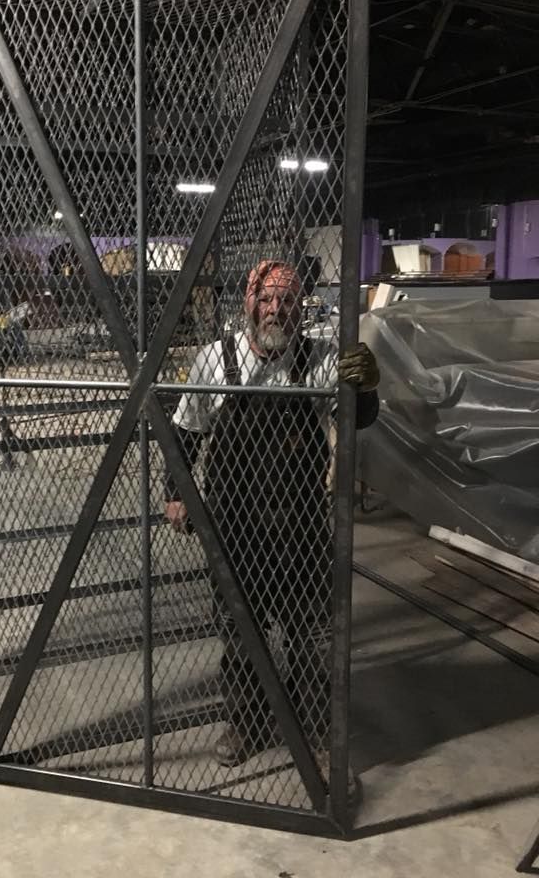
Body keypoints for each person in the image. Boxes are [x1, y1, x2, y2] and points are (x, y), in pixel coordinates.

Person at [164, 259, 379, 767]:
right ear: (248, 302)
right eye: (267, 299)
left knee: (311, 639)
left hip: (301, 527)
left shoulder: (320, 358)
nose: (277, 310)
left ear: (299, 306)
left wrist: (367, 387)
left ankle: (320, 730)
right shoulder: (216, 361)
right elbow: (185, 433)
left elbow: (359, 420)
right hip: (235, 531)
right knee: (241, 637)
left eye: (287, 300)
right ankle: (247, 723)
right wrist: (176, 491)